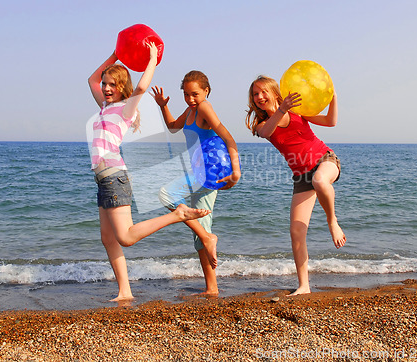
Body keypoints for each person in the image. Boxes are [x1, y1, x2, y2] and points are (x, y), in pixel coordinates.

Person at [88, 43, 213, 302]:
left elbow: (142, 88)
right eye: (105, 84)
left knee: (125, 237)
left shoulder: (125, 109)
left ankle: (177, 214)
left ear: (122, 88)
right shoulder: (104, 107)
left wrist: (152, 59)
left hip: (114, 177)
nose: (106, 88)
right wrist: (117, 54)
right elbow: (91, 79)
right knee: (107, 238)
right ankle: (125, 291)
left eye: (112, 84)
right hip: (102, 179)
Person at [245, 75, 346, 295]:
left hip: (325, 160)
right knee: (296, 231)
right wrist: (281, 109)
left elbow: (331, 121)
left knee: (320, 180)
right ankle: (304, 286)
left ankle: (332, 222)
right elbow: (266, 132)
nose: (260, 97)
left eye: (263, 91)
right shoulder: (262, 125)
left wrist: (333, 97)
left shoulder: (298, 111)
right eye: (255, 94)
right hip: (301, 176)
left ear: (274, 91)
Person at [151, 70, 241, 295]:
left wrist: (236, 171)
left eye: (195, 94)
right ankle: (211, 287)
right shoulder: (191, 109)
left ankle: (207, 239)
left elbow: (227, 136)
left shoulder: (204, 107)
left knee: (166, 195)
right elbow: (173, 126)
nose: (191, 99)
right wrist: (163, 105)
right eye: (187, 94)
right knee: (201, 227)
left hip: (209, 172)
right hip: (198, 172)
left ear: (206, 91)